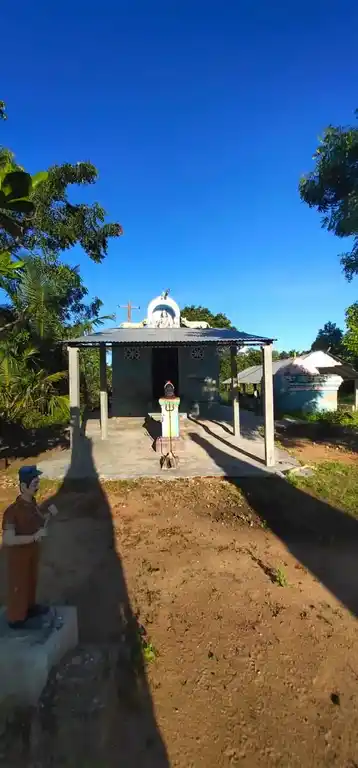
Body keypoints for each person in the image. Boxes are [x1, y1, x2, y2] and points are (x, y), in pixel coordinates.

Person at [2, 465, 58, 629]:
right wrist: (33, 537)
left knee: (31, 581)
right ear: (23, 486)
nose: (37, 487)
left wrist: (50, 515)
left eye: (37, 483)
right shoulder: (12, 512)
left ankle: (30, 607)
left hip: (32, 552)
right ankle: (16, 618)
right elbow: (8, 539)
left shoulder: (32, 505)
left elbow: (40, 520)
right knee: (19, 585)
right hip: (18, 557)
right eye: (34, 484)